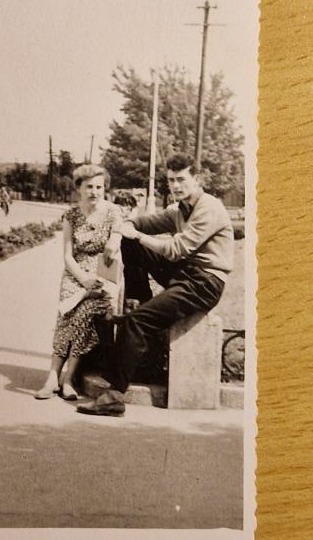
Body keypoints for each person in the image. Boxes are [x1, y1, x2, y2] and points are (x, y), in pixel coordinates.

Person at [77, 153, 235, 417]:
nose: (176, 186)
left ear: (197, 180)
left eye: (182, 180)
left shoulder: (210, 207)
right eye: (172, 180)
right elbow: (139, 222)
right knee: (130, 242)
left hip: (205, 281)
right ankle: (138, 298)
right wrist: (120, 233)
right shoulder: (178, 209)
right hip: (185, 274)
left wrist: (136, 235)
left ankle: (113, 397)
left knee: (136, 322)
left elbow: (176, 249)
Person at [34, 164, 123, 401]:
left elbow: (117, 236)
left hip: (102, 276)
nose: (94, 192)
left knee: (85, 313)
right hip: (76, 274)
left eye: (99, 187)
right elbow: (67, 255)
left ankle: (69, 378)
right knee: (66, 315)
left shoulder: (114, 212)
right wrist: (82, 279)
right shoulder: (71, 215)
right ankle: (52, 377)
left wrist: (114, 243)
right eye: (89, 187)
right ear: (78, 189)